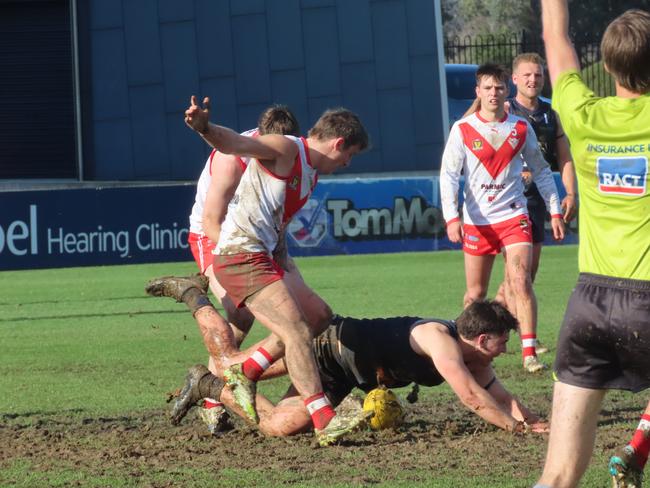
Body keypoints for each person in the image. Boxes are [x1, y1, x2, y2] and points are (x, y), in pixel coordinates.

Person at [182, 95, 370, 446]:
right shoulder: (286, 148)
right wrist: (204, 127)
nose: (347, 163)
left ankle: (246, 370)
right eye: (350, 154)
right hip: (240, 255)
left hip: (263, 255)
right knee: (295, 330)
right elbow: (234, 143)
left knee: (317, 317)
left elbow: (277, 224)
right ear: (338, 142)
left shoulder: (310, 171)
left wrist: (283, 265)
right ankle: (323, 418)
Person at [533, 4, 650, 488]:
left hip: (590, 304)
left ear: (605, 67)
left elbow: (556, 42)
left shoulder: (581, 114)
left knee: (558, 475)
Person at [167, 293, 549, 439]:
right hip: (327, 346)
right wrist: (515, 428)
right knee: (230, 363)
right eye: (503, 341)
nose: (505, 349)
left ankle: (207, 386)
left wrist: (530, 420)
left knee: (279, 428)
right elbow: (472, 397)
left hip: (344, 375)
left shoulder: (475, 356)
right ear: (483, 339)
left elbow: (498, 395)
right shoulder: (440, 341)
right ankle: (194, 295)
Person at [439, 63, 566, 374]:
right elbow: (448, 176)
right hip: (477, 222)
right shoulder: (463, 129)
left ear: (506, 90)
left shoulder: (521, 128)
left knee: (521, 281)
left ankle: (529, 353)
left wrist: (554, 210)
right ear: (478, 92)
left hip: (514, 216)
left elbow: (541, 171)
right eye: (487, 88)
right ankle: (468, 350)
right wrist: (451, 218)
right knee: (475, 294)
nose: (493, 93)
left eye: (498, 88)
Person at [495, 53, 578, 354]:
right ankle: (524, 336)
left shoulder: (550, 114)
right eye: (527, 75)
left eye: (538, 75)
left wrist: (570, 193)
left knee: (526, 275)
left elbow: (564, 157)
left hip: (538, 200)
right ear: (514, 80)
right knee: (518, 274)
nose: (533, 80)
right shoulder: (506, 110)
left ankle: (485, 322)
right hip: (509, 201)